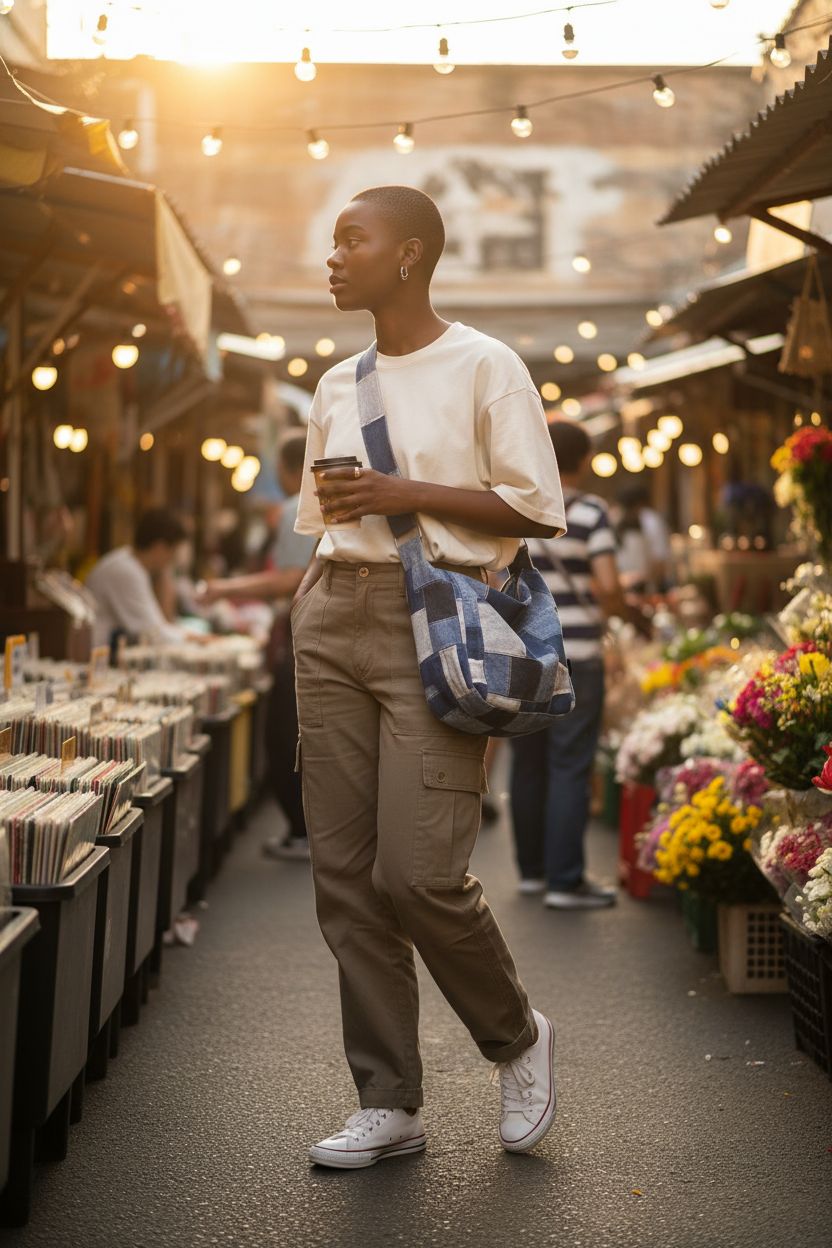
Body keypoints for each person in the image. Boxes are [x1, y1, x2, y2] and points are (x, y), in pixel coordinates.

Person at [291, 185, 566, 1169]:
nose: (333, 256)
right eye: (332, 241)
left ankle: (515, 1036)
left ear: (407, 255)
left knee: (417, 874)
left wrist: (405, 492)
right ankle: (388, 1100)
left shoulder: (485, 364)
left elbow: (536, 506)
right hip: (331, 607)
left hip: (437, 617)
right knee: (345, 879)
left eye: (350, 240)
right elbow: (328, 516)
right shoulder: (337, 381)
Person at [510, 420, 650, 910]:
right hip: (578, 655)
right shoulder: (590, 511)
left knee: (526, 763)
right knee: (569, 764)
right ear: (584, 460)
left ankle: (531, 871)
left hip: (525, 652)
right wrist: (623, 612)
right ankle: (565, 880)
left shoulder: (516, 505)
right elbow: (609, 586)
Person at [199, 430, 317, 860]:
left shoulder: (296, 508)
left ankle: (304, 832)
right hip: (326, 631)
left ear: (287, 470)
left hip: (303, 631)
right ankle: (310, 831)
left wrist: (222, 589)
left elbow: (288, 579)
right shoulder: (335, 500)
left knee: (284, 732)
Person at [86, 509, 190, 648]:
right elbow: (153, 633)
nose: (171, 561)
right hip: (96, 653)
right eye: (173, 553)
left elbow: (160, 625)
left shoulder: (129, 563)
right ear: (160, 547)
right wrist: (200, 640)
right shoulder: (126, 571)